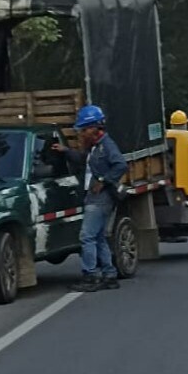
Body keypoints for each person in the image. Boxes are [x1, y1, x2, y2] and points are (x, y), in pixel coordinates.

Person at [55, 104, 127, 292]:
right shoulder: (96, 147)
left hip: (100, 199)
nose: (82, 133)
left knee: (86, 237)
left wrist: (103, 181)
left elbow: (121, 165)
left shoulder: (107, 146)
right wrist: (65, 151)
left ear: (96, 128)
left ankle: (91, 276)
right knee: (99, 237)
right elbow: (82, 160)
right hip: (96, 197)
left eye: (85, 129)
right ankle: (110, 275)